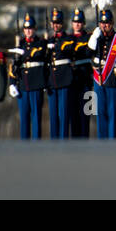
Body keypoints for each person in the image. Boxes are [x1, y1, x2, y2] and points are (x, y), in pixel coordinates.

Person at [9, 14, 48, 140]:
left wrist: (23, 53)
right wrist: (11, 83)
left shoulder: (41, 42)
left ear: (35, 29)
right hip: (22, 84)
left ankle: (36, 142)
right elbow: (13, 66)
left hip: (36, 83)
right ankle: (24, 143)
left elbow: (39, 53)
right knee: (24, 117)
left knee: (36, 116)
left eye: (30, 28)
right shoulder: (19, 44)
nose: (28, 31)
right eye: (26, 29)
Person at [90, 8, 116, 139]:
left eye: (108, 23)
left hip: (112, 77)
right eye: (102, 23)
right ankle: (101, 140)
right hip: (98, 78)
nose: (105, 25)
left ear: (113, 23)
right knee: (100, 112)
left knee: (113, 112)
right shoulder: (97, 38)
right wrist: (93, 39)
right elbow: (87, 54)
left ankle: (113, 141)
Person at [45, 8, 75, 139]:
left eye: (58, 23)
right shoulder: (48, 40)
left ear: (62, 24)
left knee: (63, 114)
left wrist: (56, 47)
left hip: (64, 78)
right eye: (54, 23)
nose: (56, 25)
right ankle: (54, 140)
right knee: (53, 115)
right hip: (52, 79)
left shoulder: (68, 38)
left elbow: (69, 47)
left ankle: (63, 139)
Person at [67, 8, 93, 138]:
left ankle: (86, 138)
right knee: (73, 114)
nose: (77, 24)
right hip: (72, 80)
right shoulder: (68, 38)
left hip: (86, 80)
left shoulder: (89, 37)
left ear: (83, 23)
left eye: (80, 22)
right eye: (75, 22)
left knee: (87, 112)